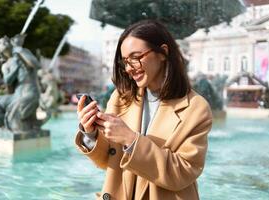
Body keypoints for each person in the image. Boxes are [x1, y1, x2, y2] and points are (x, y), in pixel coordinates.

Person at [75, 19, 212, 200]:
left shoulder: (196, 107)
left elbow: (184, 172)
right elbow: (107, 161)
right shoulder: (121, 98)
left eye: (136, 57)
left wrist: (131, 140)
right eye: (125, 61)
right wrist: (91, 134)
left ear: (163, 52)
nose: (130, 68)